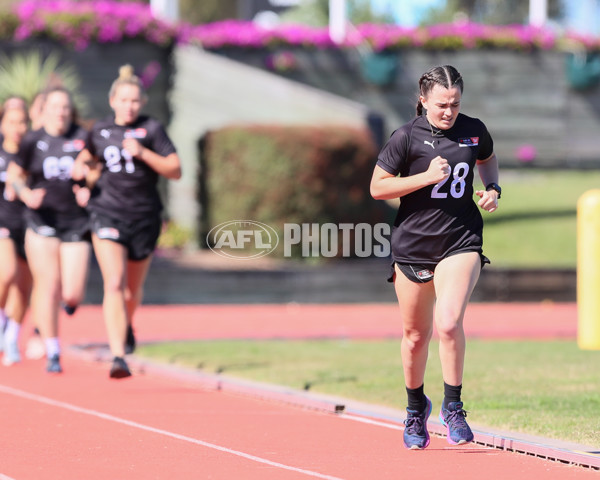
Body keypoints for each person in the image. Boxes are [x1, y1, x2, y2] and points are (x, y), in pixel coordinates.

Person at [370, 65, 500, 449]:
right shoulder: (406, 137)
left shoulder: (474, 129)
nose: (449, 112)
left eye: (455, 104)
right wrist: (425, 178)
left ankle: (454, 406)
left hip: (460, 239)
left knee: (448, 322)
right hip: (412, 246)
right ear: (423, 100)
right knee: (414, 336)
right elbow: (378, 187)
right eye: (441, 104)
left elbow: (487, 159)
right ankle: (415, 409)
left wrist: (492, 188)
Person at [73, 65, 181, 379]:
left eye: (134, 101)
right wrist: (83, 181)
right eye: (123, 100)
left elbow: (175, 170)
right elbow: (86, 161)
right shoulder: (100, 130)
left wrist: (145, 154)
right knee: (114, 283)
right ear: (112, 101)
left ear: (143, 101)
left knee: (132, 291)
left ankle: (127, 325)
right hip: (107, 212)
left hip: (144, 217)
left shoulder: (153, 130)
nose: (129, 106)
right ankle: (118, 356)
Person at [8, 86, 92, 374]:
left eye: (65, 107)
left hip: (75, 223)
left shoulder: (82, 138)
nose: (60, 112)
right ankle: (53, 349)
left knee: (72, 294)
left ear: (71, 111)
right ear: (44, 111)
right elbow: (16, 175)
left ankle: (65, 308)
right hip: (41, 222)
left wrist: (88, 187)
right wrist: (25, 194)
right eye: (55, 107)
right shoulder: (33, 140)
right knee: (48, 285)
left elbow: (96, 171)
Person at [0, 97, 32, 365]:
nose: (17, 128)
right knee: (7, 271)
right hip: (3, 223)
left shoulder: (35, 152)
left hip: (30, 225)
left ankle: (12, 337)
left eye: (22, 122)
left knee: (24, 286)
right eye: (11, 122)